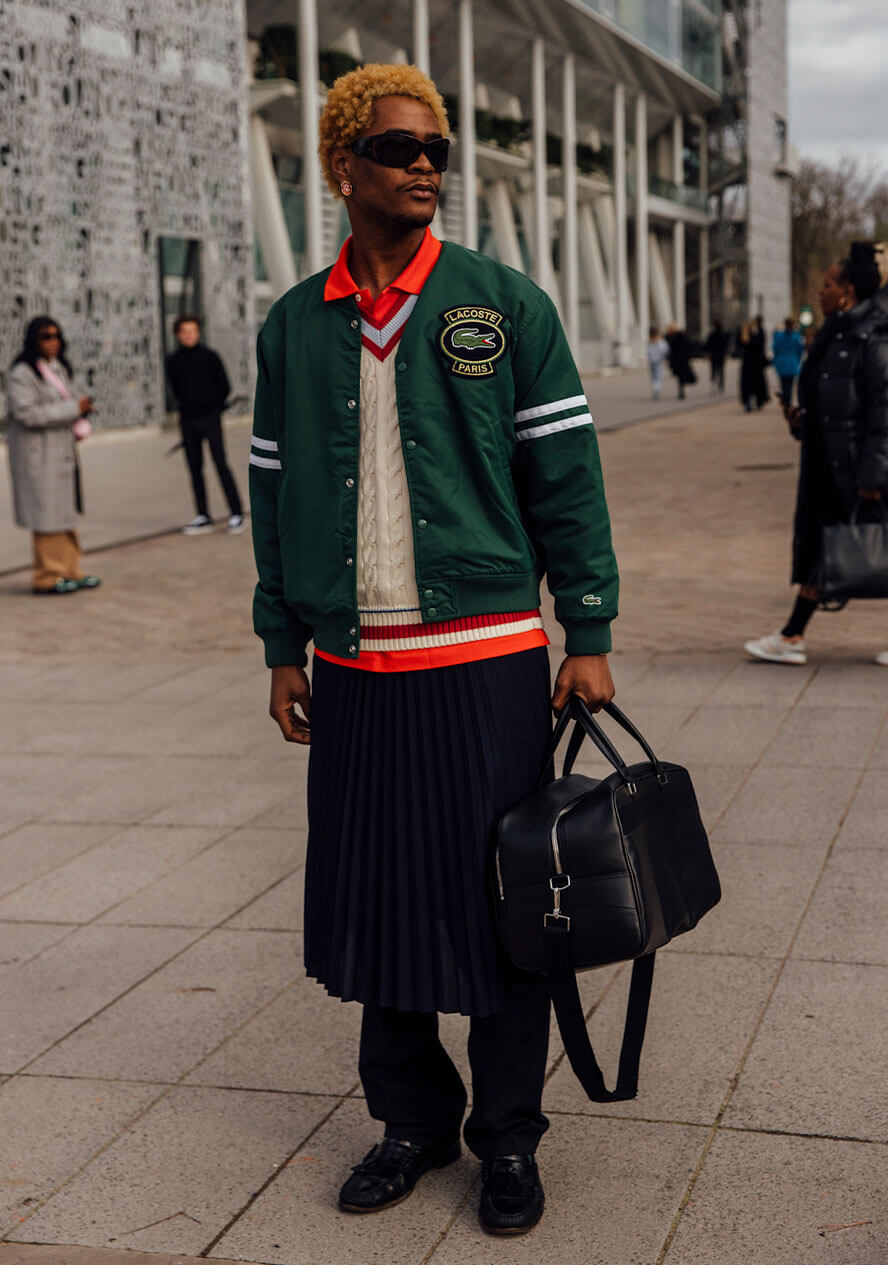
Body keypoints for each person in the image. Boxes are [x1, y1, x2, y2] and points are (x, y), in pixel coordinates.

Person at [249, 63, 618, 1235]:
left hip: (484, 659)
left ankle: (508, 1138)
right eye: (400, 149)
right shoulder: (291, 325)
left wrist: (590, 625)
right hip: (355, 670)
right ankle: (412, 1120)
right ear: (344, 164)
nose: (424, 167)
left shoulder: (503, 301)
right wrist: (282, 639)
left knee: (503, 908)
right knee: (378, 908)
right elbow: (274, 494)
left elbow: (566, 475)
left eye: (436, 152)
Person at [744, 245, 888, 667]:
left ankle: (791, 635)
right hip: (830, 463)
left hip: (860, 467)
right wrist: (802, 422)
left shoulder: (874, 336)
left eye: (827, 284)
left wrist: (875, 475)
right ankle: (791, 636)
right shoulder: (835, 333)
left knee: (866, 546)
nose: (820, 292)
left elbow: (884, 410)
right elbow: (835, 403)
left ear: (847, 290)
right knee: (829, 547)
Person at [5, 316, 101, 594]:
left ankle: (70, 569)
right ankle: (48, 576)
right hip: (38, 456)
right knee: (47, 516)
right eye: (46, 336)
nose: (52, 342)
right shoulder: (22, 373)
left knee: (65, 513)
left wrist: (82, 407)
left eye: (56, 336)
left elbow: (68, 401)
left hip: (61, 452)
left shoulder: (57, 368)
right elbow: (26, 414)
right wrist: (73, 409)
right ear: (34, 340)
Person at [165, 314, 245, 535]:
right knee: (194, 468)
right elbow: (174, 388)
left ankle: (236, 512)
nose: (189, 335)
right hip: (188, 420)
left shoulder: (210, 357)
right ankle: (203, 515)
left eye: (192, 331)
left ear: (198, 332)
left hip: (210, 418)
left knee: (220, 463)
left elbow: (224, 386)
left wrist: (212, 405)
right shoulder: (173, 360)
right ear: (178, 334)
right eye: (184, 332)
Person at [771, 317, 805, 406]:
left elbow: (775, 349)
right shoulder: (796, 336)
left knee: (783, 383)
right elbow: (800, 350)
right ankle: (787, 401)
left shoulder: (779, 336)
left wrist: (776, 360)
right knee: (789, 385)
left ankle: (785, 399)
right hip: (792, 362)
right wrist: (797, 359)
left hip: (782, 362)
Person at [738, 314, 769, 411]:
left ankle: (756, 401)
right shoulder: (751, 332)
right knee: (752, 384)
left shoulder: (757, 332)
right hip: (753, 362)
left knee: (753, 384)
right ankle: (751, 402)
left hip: (752, 362)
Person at [665, 323, 696, 399]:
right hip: (682, 360)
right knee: (681, 376)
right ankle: (681, 391)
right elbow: (689, 346)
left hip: (677, 360)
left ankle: (681, 391)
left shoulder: (670, 338)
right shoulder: (681, 337)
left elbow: (669, 350)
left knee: (679, 377)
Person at [703, 319, 730, 393]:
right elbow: (726, 345)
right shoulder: (723, 334)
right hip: (721, 355)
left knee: (714, 371)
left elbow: (707, 345)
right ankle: (721, 386)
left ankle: (714, 386)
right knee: (721, 371)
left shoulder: (712, 334)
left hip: (714, 355)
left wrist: (707, 352)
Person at [647, 326, 669, 399]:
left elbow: (648, 351)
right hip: (659, 360)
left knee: (654, 376)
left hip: (652, 360)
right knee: (658, 376)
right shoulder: (660, 341)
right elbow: (664, 350)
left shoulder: (650, 341)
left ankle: (655, 388)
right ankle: (657, 389)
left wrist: (650, 357)